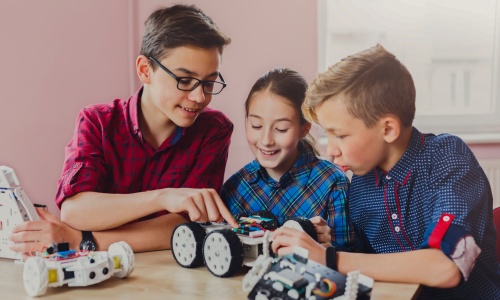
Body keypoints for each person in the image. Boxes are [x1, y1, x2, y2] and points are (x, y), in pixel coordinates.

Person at [271, 44, 500, 299]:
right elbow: (365, 263)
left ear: (388, 129)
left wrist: (328, 257)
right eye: (327, 134)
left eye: (340, 135)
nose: (331, 150)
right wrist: (325, 243)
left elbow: (446, 266)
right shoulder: (359, 183)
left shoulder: (447, 159)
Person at [9, 4, 237, 255]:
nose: (199, 97)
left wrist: (82, 240)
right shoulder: (97, 121)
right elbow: (76, 210)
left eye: (209, 83)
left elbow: (187, 224)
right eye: (184, 81)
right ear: (144, 70)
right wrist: (162, 197)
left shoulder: (214, 130)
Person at [220, 68, 355, 248]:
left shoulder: (333, 183)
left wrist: (327, 246)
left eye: (281, 129)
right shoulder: (235, 188)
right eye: (256, 125)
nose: (266, 140)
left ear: (304, 127)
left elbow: (348, 258)